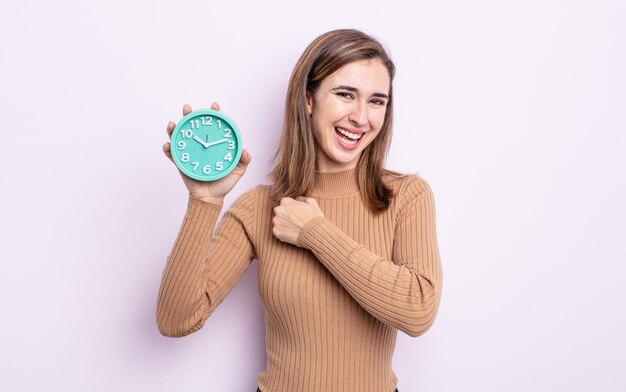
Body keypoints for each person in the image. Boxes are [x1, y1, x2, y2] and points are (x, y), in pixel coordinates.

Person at [157, 29, 442, 392]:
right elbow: (175, 319)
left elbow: (418, 310)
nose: (360, 117)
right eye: (345, 95)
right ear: (309, 98)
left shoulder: (406, 197)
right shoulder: (260, 207)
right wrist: (205, 201)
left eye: (376, 101)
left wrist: (315, 233)